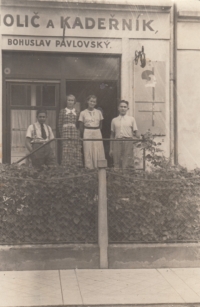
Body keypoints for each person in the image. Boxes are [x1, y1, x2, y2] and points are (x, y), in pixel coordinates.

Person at [109, 100, 140, 169]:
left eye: (125, 107)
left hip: (128, 141)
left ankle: (126, 178)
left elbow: (136, 132)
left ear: (127, 109)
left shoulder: (131, 119)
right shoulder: (114, 120)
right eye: (121, 106)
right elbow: (112, 135)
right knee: (116, 160)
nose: (123, 108)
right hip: (117, 141)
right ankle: (117, 178)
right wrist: (111, 149)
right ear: (118, 108)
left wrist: (140, 138)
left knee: (127, 161)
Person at [79, 95, 105, 169]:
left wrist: (96, 130)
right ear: (87, 101)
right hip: (87, 131)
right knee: (88, 150)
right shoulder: (83, 113)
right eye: (91, 101)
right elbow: (81, 126)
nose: (92, 103)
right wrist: (84, 134)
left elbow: (101, 124)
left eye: (94, 102)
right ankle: (89, 168)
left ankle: (99, 168)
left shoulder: (98, 112)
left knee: (98, 149)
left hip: (97, 131)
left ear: (96, 103)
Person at [58, 94, 82, 167]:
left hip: (75, 133)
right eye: (69, 100)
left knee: (75, 149)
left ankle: (75, 167)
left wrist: (78, 133)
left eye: (72, 100)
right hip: (65, 133)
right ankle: (66, 168)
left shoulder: (77, 112)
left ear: (74, 102)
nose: (70, 102)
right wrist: (62, 134)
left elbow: (79, 125)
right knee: (66, 150)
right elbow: (59, 124)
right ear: (66, 101)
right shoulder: (63, 111)